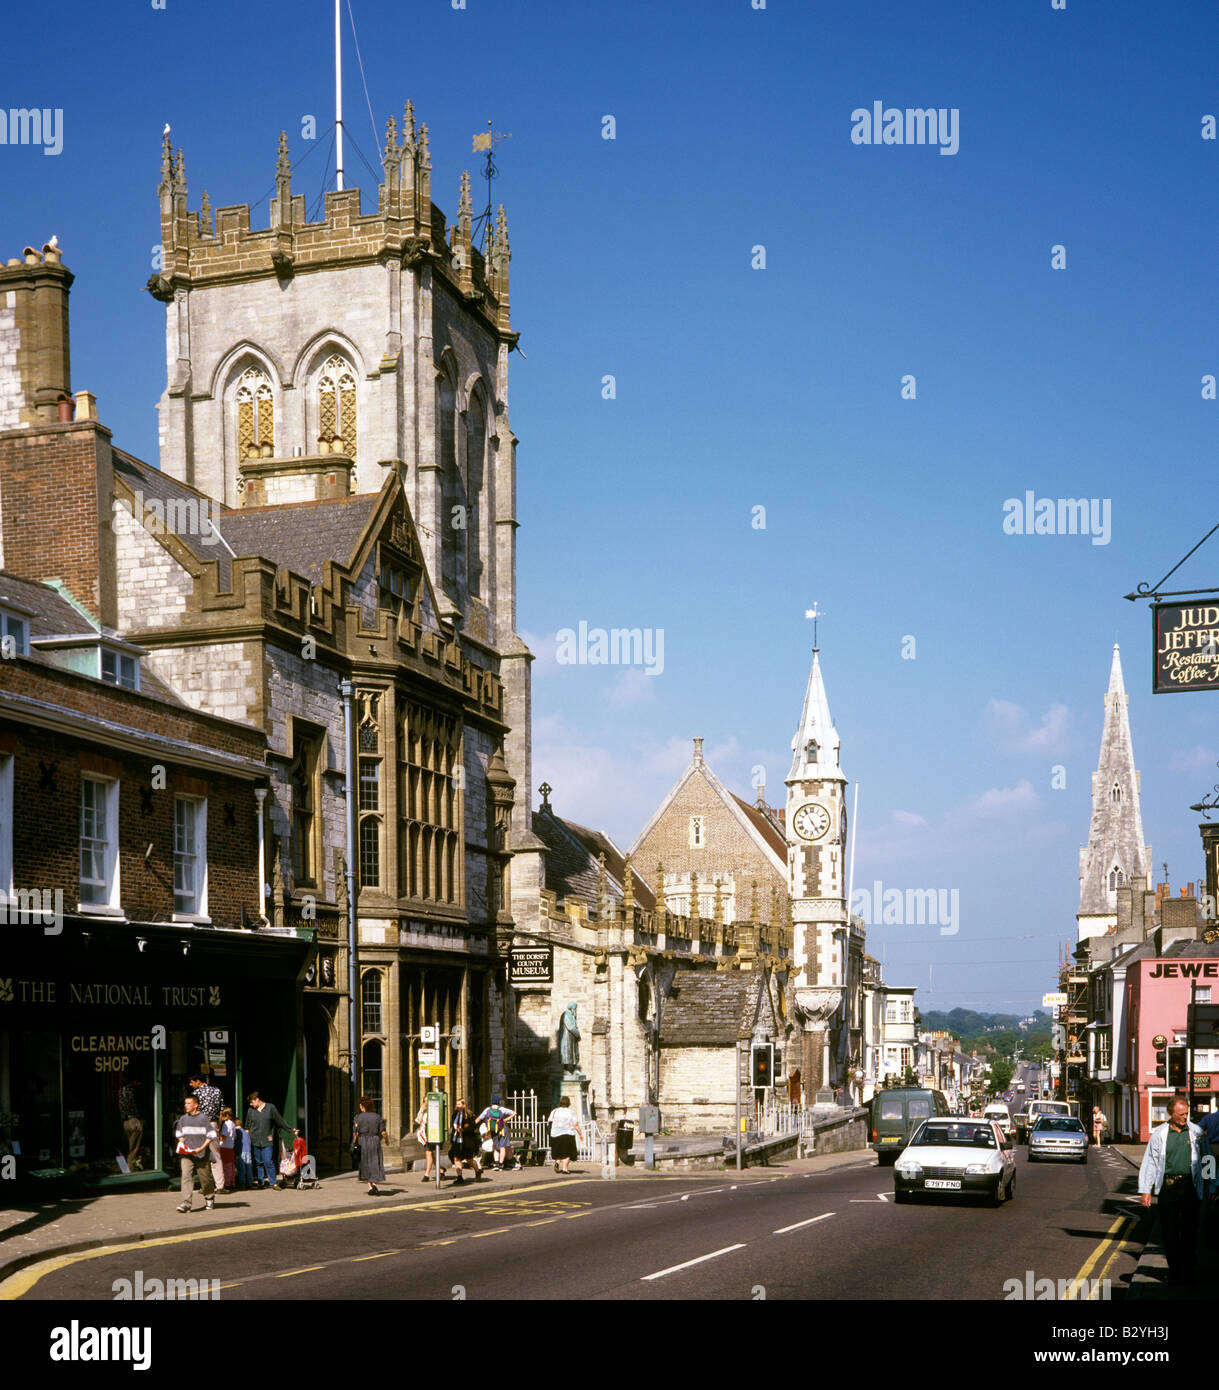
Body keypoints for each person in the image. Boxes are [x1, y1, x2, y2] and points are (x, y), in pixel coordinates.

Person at [1138, 1093, 1215, 1283]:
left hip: (1190, 1187)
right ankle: (1174, 1272)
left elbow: (1208, 1158)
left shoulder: (1197, 1132)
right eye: (1181, 1114)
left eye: (1186, 1113)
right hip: (1168, 1188)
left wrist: (1212, 1185)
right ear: (1171, 1114)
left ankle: (1188, 1272)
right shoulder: (1159, 1134)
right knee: (1169, 1231)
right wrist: (1146, 1190)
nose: (1185, 1117)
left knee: (1190, 1231)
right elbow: (1150, 1162)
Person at [244, 1091, 296, 1190]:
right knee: (258, 1162)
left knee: (268, 1161)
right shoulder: (251, 1111)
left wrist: (290, 1129)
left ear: (257, 1100)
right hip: (255, 1139)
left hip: (267, 1139)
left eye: (251, 1102)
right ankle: (261, 1182)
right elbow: (247, 1126)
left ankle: (273, 1183)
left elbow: (279, 1120)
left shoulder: (270, 1108)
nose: (250, 1104)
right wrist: (246, 1139)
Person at [174, 1095, 217, 1213]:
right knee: (186, 1176)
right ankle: (186, 1203)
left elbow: (211, 1136)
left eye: (188, 1103)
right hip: (187, 1154)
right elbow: (179, 1134)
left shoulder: (203, 1118)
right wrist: (182, 1142)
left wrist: (201, 1148)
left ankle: (209, 1197)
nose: (186, 1106)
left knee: (205, 1179)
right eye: (185, 1103)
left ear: (196, 1105)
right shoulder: (183, 1119)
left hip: (201, 1154)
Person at [188, 1072, 225, 1193]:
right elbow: (221, 1111)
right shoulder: (216, 1091)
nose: (191, 1084)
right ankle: (220, 1185)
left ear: (198, 1081)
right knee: (216, 1155)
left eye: (192, 1082)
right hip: (213, 1124)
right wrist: (218, 1127)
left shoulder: (195, 1094)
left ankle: (206, 1186)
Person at [353, 1096, 388, 1196]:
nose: (360, 1107)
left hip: (362, 1141)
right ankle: (374, 1184)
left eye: (360, 1105)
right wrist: (387, 1140)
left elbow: (356, 1133)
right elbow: (383, 1132)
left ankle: (370, 1186)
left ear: (363, 1106)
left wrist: (354, 1143)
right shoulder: (377, 1117)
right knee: (375, 1162)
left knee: (365, 1163)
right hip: (375, 1140)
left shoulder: (358, 1118)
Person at [476, 1095, 516, 1171]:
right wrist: (506, 1119)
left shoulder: (487, 1110)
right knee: (502, 1147)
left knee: (496, 1147)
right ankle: (501, 1164)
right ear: (499, 1102)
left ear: (491, 1102)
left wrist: (471, 1124)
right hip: (502, 1130)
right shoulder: (502, 1109)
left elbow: (479, 1118)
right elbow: (514, 1113)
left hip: (493, 1130)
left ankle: (496, 1164)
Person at [448, 1099, 483, 1184]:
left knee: (469, 1159)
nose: (457, 1106)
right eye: (456, 1104)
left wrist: (463, 1130)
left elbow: (473, 1126)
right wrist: (452, 1139)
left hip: (466, 1141)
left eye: (459, 1104)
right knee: (456, 1158)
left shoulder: (469, 1115)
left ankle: (478, 1171)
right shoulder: (455, 1114)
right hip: (456, 1140)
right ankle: (459, 1177)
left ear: (464, 1105)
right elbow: (453, 1127)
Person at [547, 1096, 583, 1175]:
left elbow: (549, 1121)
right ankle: (565, 1169)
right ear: (568, 1103)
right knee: (567, 1152)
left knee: (558, 1151)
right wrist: (580, 1134)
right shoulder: (570, 1112)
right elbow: (575, 1125)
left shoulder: (554, 1111)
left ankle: (557, 1162)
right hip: (568, 1134)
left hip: (555, 1134)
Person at [117, 1076, 143, 1172]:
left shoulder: (120, 1091)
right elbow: (136, 1105)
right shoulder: (133, 1091)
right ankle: (129, 1168)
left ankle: (124, 1169)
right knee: (134, 1147)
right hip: (134, 1119)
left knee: (126, 1146)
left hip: (125, 1120)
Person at [414, 1101, 437, 1183]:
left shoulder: (434, 1109)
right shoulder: (422, 1110)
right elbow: (419, 1121)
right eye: (424, 1101)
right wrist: (422, 1111)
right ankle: (440, 1169)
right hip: (424, 1134)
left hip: (431, 1133)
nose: (426, 1103)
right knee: (430, 1153)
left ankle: (427, 1174)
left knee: (428, 1152)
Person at [217, 1107, 237, 1192]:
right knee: (231, 1165)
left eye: (223, 1116)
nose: (221, 1118)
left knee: (225, 1166)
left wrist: (219, 1139)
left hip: (224, 1147)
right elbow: (235, 1136)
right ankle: (232, 1182)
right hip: (231, 1146)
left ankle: (226, 1183)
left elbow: (224, 1137)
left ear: (227, 1115)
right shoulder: (233, 1124)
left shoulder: (226, 1124)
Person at [234, 1115, 253, 1191]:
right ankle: (249, 1183)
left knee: (241, 1169)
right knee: (248, 1168)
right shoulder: (246, 1132)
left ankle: (242, 1184)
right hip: (248, 1151)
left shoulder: (236, 1132)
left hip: (240, 1152)